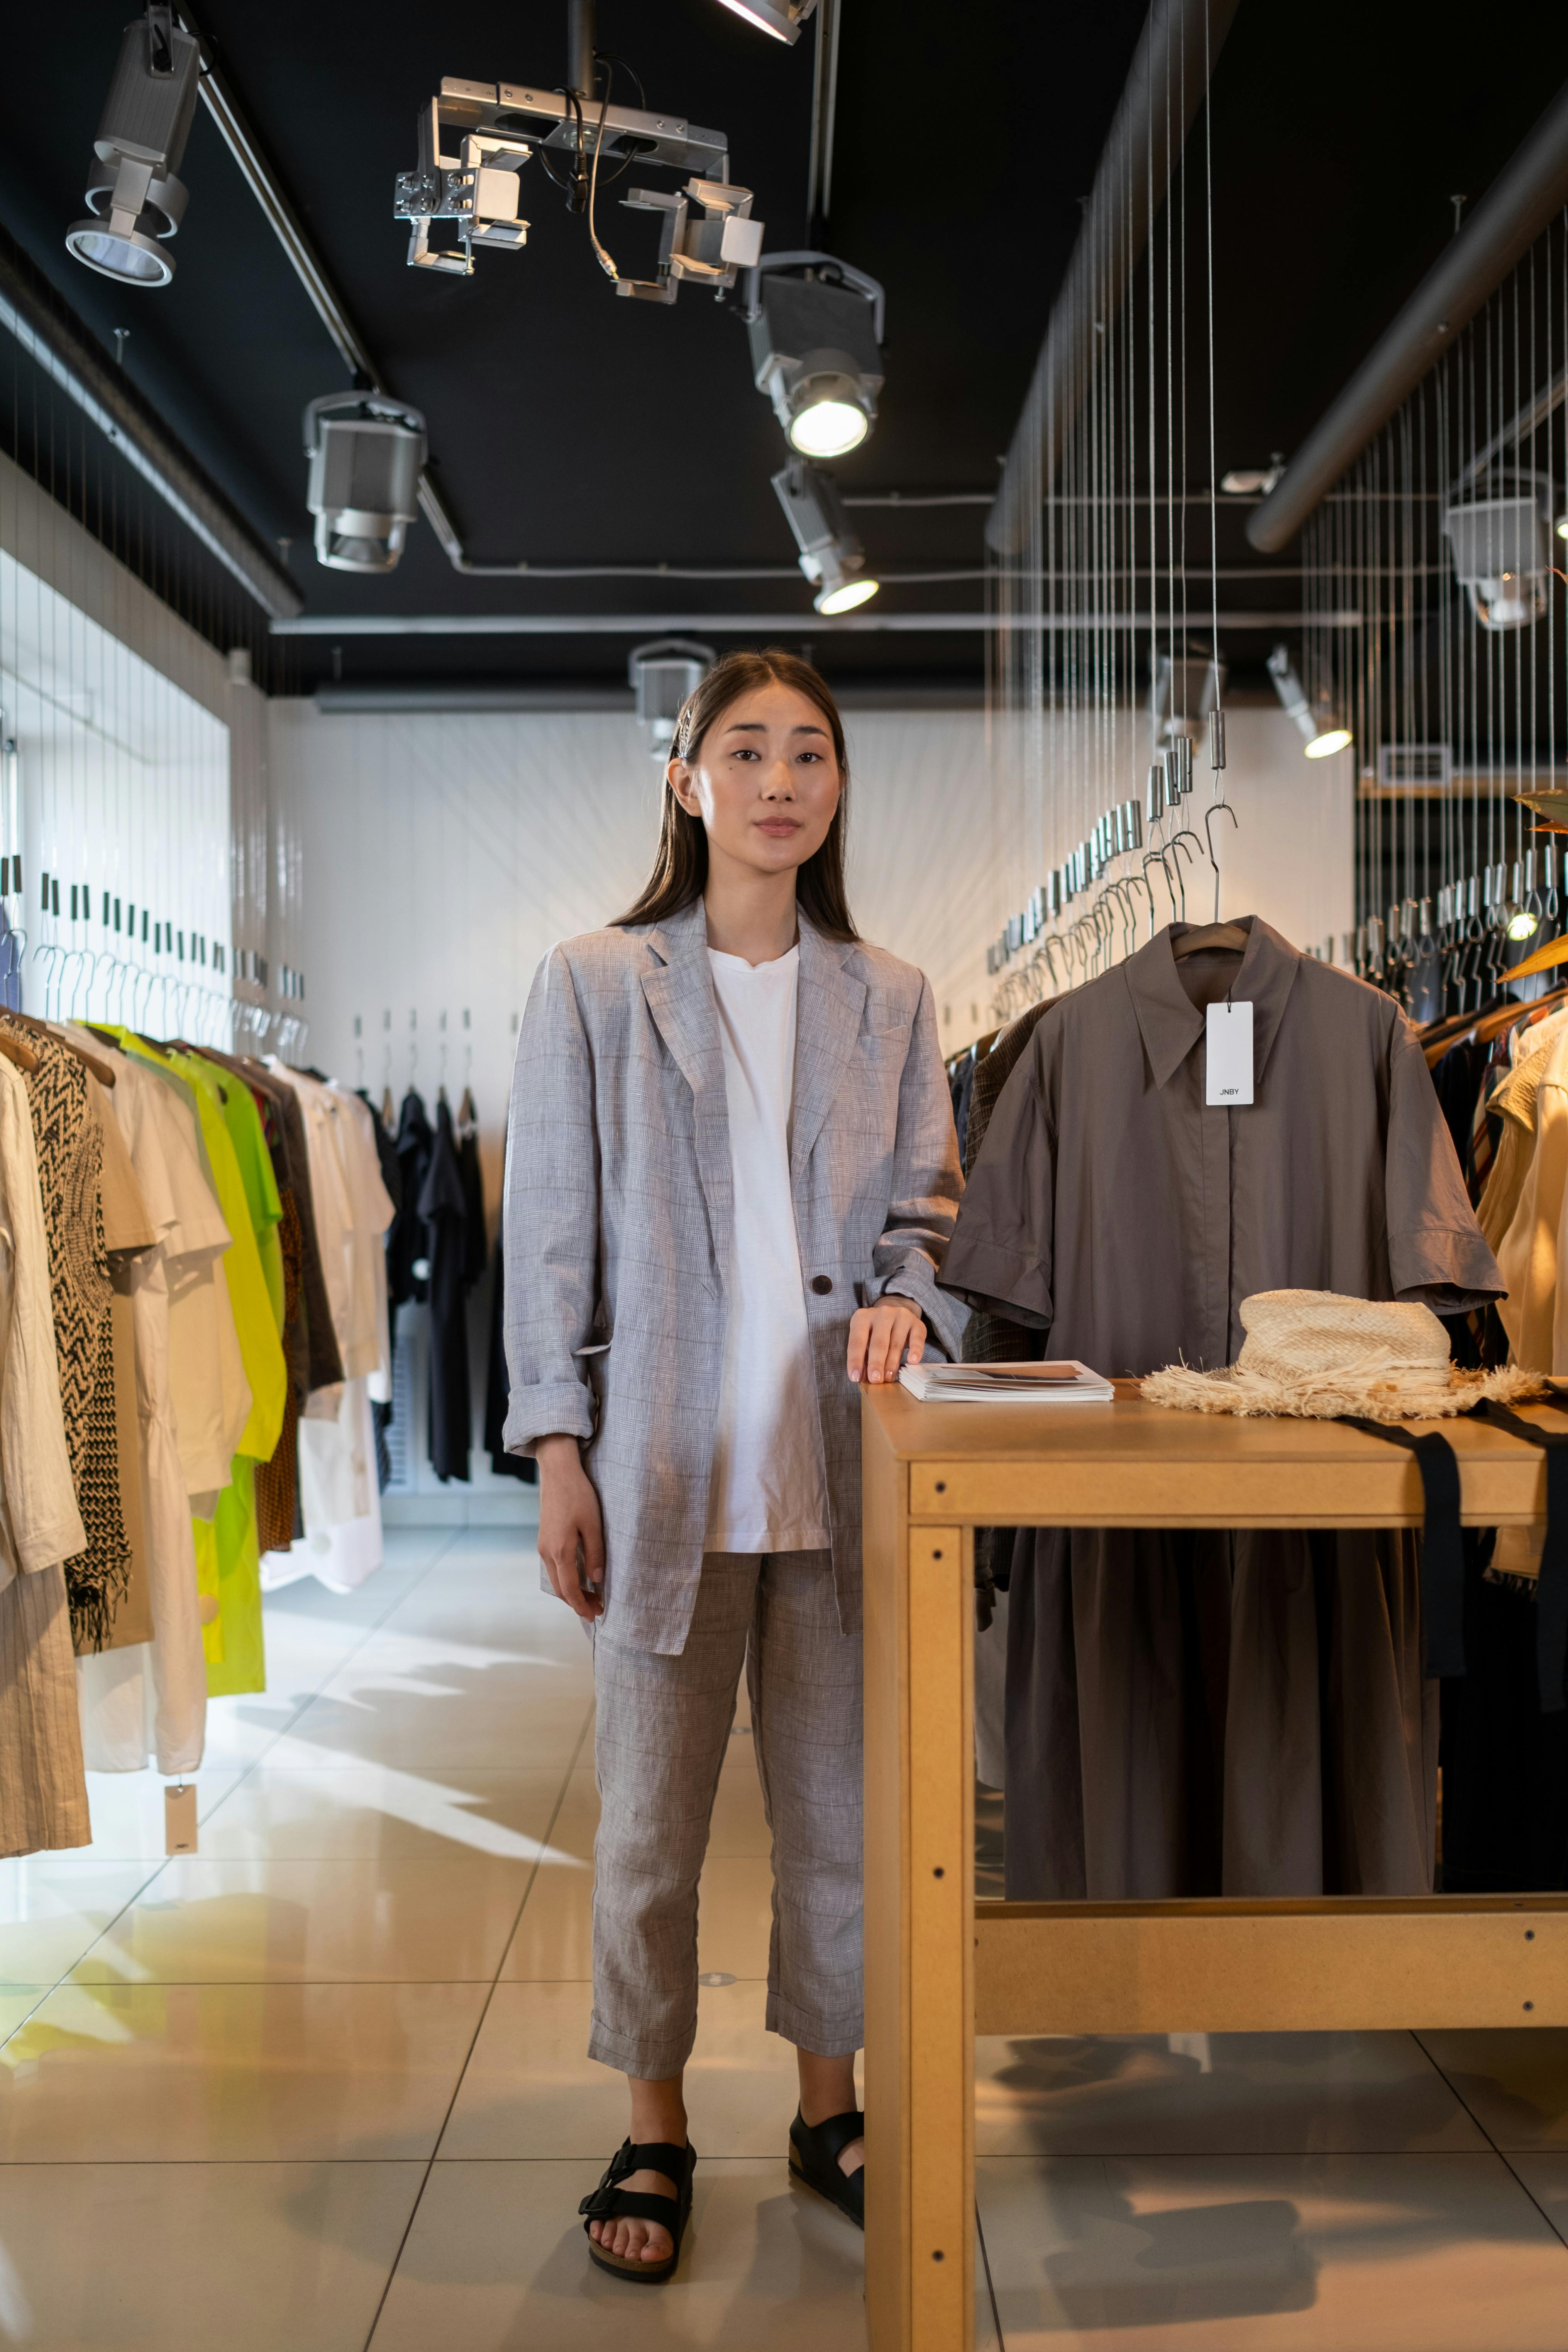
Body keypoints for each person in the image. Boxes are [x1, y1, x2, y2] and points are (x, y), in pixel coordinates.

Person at [502, 647, 965, 2283]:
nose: (781, 781)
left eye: (811, 754)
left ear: (836, 789)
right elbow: (549, 1233)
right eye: (747, 751)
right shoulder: (591, 980)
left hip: (843, 1474)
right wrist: (557, 1450)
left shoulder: (891, 995)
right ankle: (653, 2117)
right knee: (648, 1829)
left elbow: (931, 1218)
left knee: (841, 1819)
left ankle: (826, 2105)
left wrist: (912, 1303)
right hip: (663, 1472)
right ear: (688, 780)